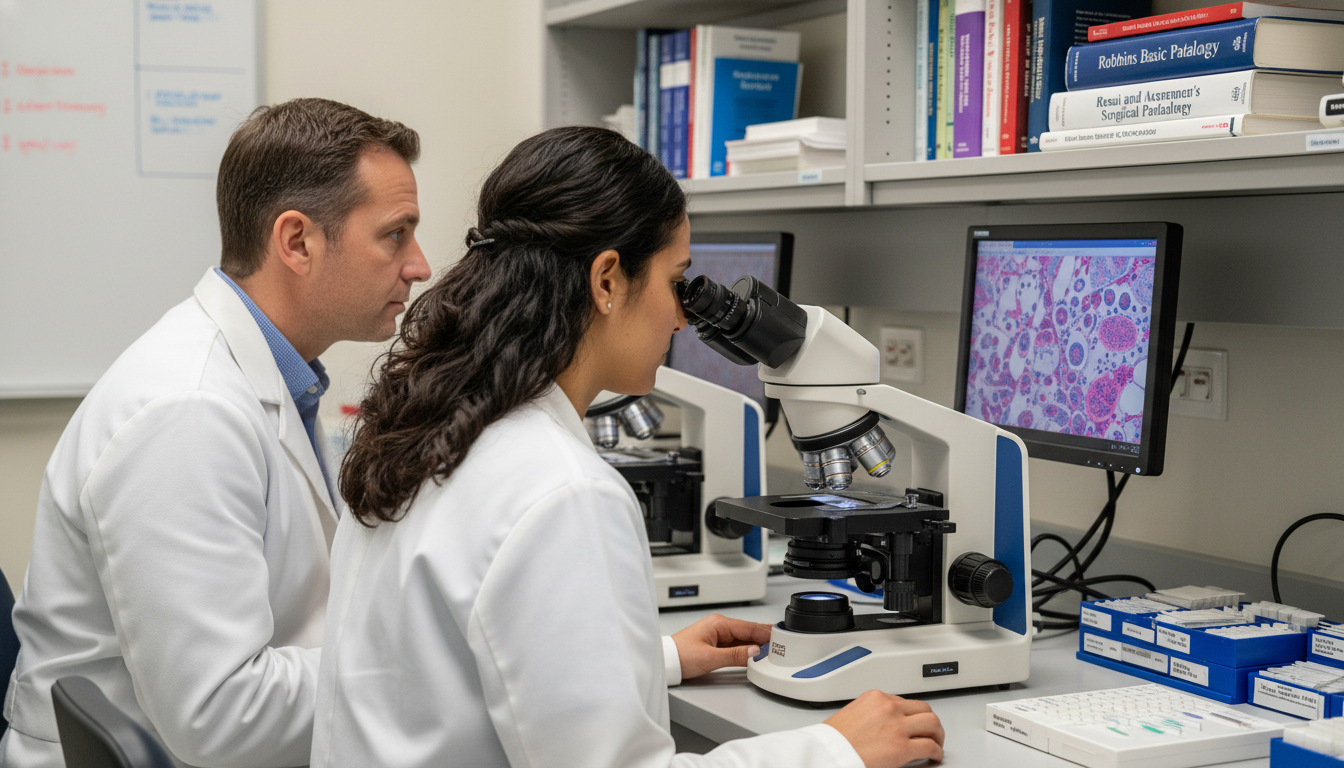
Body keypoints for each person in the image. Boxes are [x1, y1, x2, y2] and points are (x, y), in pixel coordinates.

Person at [310, 126, 945, 768]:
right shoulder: (562, 491)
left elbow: (451, 672)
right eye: (676, 281)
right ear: (607, 280)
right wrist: (834, 750)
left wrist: (647, 658)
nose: (678, 319)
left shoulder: (428, 431)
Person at [0, 98, 431, 768]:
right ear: (296, 242)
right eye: (395, 235)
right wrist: (425, 669)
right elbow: (221, 716)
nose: (420, 265)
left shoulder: (276, 381)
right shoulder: (186, 412)